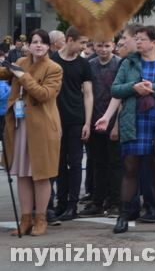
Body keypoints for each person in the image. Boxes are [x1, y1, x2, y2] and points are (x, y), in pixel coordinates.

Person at [101, 25, 155, 234]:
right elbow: (115, 89)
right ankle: (123, 217)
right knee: (130, 171)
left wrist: (154, 88)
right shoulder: (128, 62)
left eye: (142, 39)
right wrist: (134, 87)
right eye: (136, 39)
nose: (138, 42)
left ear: (154, 43)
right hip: (134, 121)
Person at [0, 29, 63, 236]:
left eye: (42, 42)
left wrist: (22, 76)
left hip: (43, 127)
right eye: (34, 42)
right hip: (19, 125)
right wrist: (11, 68)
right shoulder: (20, 62)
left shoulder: (54, 68)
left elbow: (43, 94)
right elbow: (4, 72)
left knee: (41, 174)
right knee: (23, 174)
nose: (38, 46)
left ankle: (41, 219)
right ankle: (25, 219)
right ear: (28, 45)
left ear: (49, 46)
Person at [51, 26, 93, 221]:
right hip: (55, 119)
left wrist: (87, 122)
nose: (84, 46)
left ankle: (72, 204)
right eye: (82, 42)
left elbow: (88, 94)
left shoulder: (83, 64)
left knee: (75, 163)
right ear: (70, 40)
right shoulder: (52, 60)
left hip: (76, 118)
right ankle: (60, 203)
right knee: (58, 163)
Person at [78, 38, 123, 218]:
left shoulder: (119, 64)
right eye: (99, 45)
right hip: (95, 118)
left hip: (113, 120)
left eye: (106, 45)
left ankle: (115, 202)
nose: (103, 49)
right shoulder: (90, 64)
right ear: (94, 46)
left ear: (113, 45)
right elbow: (85, 94)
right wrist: (87, 123)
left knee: (115, 164)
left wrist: (116, 125)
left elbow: (121, 96)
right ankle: (98, 202)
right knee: (98, 163)